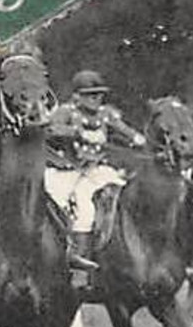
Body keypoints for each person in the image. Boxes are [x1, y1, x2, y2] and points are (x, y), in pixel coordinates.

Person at [45, 68, 146, 270]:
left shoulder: (106, 114)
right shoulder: (66, 112)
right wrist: (76, 133)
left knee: (123, 195)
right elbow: (50, 129)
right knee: (83, 206)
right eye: (89, 95)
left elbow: (124, 130)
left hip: (97, 170)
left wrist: (138, 139)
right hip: (69, 171)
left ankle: (123, 252)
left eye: (99, 94)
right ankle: (77, 257)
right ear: (76, 96)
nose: (96, 99)